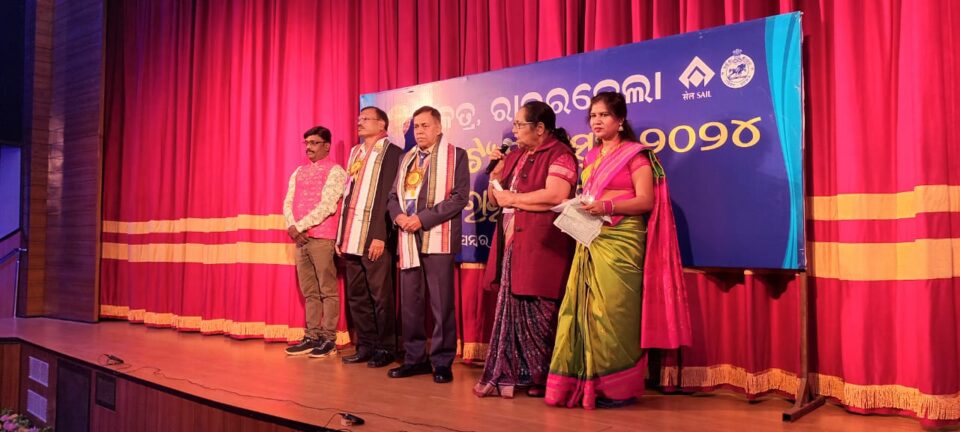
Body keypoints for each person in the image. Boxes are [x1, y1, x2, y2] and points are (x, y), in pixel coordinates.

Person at [545, 92, 691, 409]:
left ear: (620, 120)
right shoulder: (590, 156)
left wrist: (607, 206)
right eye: (593, 116)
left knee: (614, 312)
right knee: (581, 311)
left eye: (604, 115)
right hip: (591, 238)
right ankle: (588, 383)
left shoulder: (636, 156)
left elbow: (645, 201)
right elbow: (591, 195)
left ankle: (617, 388)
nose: (596, 121)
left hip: (622, 241)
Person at [474, 100, 577, 398]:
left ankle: (544, 377)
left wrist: (515, 199)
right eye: (515, 125)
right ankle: (520, 374)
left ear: (540, 128)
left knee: (541, 307)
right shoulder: (517, 155)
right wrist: (496, 175)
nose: (515, 130)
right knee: (515, 304)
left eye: (520, 124)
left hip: (544, 244)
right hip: (512, 242)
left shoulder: (560, 155)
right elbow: (496, 199)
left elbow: (556, 194)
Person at [386, 106, 469, 384]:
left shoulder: (456, 155)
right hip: (407, 236)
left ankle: (442, 361)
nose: (419, 131)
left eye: (425, 126)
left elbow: (459, 197)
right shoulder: (406, 158)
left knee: (441, 303)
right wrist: (399, 216)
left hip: (437, 235)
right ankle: (414, 359)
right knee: (410, 302)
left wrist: (421, 219)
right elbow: (392, 196)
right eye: (416, 127)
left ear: (439, 127)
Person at [337, 107, 403, 368]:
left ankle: (386, 348)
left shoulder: (392, 152)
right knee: (356, 295)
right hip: (351, 235)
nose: (360, 122)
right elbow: (347, 195)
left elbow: (388, 196)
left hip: (373, 236)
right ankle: (366, 345)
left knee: (381, 296)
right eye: (359, 119)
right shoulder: (356, 152)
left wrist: (380, 235)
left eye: (366, 119)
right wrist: (340, 235)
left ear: (382, 124)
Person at [283, 126, 347, 358]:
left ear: (326, 146)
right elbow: (288, 202)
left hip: (322, 237)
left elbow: (328, 205)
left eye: (314, 143)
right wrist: (292, 228)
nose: (309, 147)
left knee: (327, 290)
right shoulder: (298, 171)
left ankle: (328, 339)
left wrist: (299, 227)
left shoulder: (336, 171)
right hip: (300, 239)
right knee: (309, 290)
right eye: (307, 143)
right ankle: (312, 336)